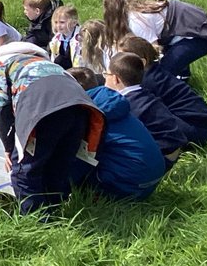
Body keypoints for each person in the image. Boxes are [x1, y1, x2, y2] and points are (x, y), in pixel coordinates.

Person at [0, 42, 104, 216]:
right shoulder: (47, 63)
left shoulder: (0, 63)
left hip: (41, 110)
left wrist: (8, 147)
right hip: (79, 108)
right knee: (58, 165)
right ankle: (55, 213)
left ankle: (36, 220)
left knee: (24, 171)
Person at [67, 68, 166, 201]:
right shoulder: (110, 103)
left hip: (128, 186)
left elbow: (81, 160)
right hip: (152, 180)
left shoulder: (90, 115)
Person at [117, 34, 207, 147]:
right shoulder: (154, 71)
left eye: (124, 58)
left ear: (142, 62)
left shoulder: (148, 81)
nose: (118, 62)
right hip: (201, 126)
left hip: (195, 130)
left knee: (142, 114)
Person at [102, 0, 207, 80]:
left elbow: (154, 50)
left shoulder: (136, 20)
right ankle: (183, 82)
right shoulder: (141, 9)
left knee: (162, 72)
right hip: (200, 29)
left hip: (204, 36)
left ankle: (172, 97)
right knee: (170, 59)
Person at [104, 52, 187, 165]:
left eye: (106, 74)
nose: (104, 79)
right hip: (174, 151)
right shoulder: (145, 95)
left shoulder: (124, 105)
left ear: (115, 79)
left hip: (159, 157)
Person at [48, 5, 81, 70]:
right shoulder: (56, 39)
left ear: (74, 23)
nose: (58, 26)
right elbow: (53, 57)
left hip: (78, 70)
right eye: (56, 22)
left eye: (62, 22)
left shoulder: (80, 38)